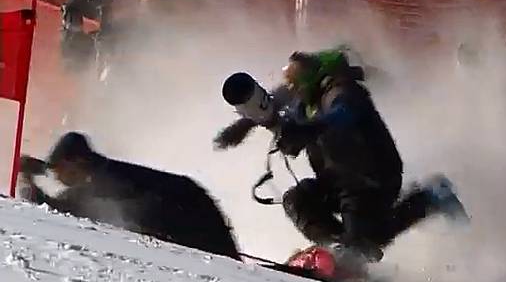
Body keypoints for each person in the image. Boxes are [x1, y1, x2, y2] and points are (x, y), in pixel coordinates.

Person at [272, 47, 466, 262]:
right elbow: (273, 103)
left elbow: (342, 115)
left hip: (371, 181)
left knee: (371, 238)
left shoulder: (342, 92)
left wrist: (308, 130)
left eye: (294, 83)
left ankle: (428, 199)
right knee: (297, 199)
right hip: (337, 182)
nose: (290, 89)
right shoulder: (304, 102)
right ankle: (337, 247)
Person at [18, 131, 241, 260]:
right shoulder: (106, 174)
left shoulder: (106, 181)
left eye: (60, 169)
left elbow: (66, 208)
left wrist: (30, 184)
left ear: (77, 162)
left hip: (196, 227)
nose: (57, 177)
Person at [60, 0, 137, 73]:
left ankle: (75, 59)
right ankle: (71, 61)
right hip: (73, 10)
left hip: (75, 8)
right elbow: (98, 4)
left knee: (97, 40)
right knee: (77, 41)